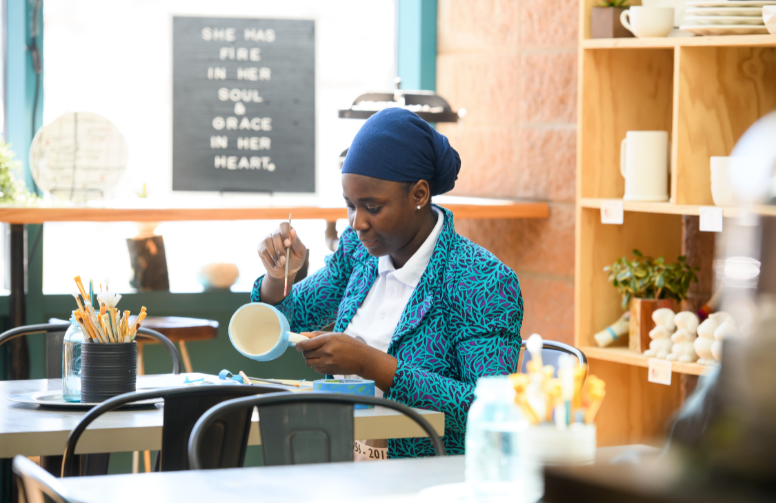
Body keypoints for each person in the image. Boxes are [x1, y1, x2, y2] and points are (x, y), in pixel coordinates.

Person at [252, 108, 523, 457]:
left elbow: (487, 409)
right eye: (350, 206)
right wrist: (279, 279)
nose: (357, 223)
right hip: (342, 457)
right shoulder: (360, 252)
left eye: (372, 207)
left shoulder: (481, 280)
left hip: (428, 478)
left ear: (419, 195)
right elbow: (289, 320)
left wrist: (371, 364)